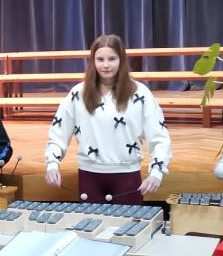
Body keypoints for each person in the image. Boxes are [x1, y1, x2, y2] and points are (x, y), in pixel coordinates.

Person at [44, 34, 172, 205]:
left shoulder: (140, 93)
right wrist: (52, 164)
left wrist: (157, 171)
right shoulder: (78, 93)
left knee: (129, 223)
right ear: (93, 61)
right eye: (100, 59)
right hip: (89, 176)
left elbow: (159, 135)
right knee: (90, 223)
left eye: (112, 59)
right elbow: (58, 132)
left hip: (127, 177)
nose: (105, 65)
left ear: (121, 60)